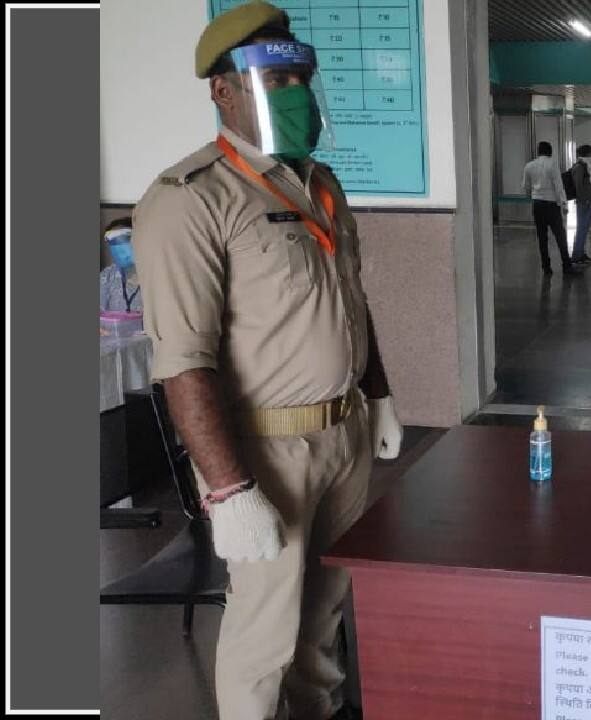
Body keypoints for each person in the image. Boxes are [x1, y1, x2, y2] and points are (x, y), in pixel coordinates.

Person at [130, 4, 404, 718]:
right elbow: (183, 361)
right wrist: (228, 488)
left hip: (341, 437)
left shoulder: (317, 184)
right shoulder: (188, 200)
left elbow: (351, 300)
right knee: (266, 626)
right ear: (223, 91)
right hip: (264, 449)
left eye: (299, 77)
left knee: (324, 609)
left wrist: (378, 395)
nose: (295, 94)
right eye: (273, 78)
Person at [522, 141, 580, 276]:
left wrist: (533, 196)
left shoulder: (529, 166)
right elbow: (559, 186)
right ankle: (567, 265)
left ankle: (546, 267)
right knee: (560, 236)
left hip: (537, 204)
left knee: (542, 237)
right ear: (550, 151)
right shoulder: (552, 164)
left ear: (538, 151)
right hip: (551, 205)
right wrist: (564, 205)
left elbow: (525, 186)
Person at [99, 217, 143, 313]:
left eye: (124, 239)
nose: (117, 247)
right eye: (112, 242)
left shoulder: (157, 276)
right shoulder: (107, 277)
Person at [569, 144, 591, 266]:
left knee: (585, 229)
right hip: (583, 202)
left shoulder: (586, 166)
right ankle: (576, 256)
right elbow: (578, 185)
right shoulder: (579, 167)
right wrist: (584, 198)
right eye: (590, 153)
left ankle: (582, 253)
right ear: (586, 154)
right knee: (581, 229)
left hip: (588, 201)